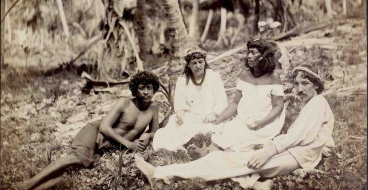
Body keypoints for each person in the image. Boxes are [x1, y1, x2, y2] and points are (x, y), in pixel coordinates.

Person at [136, 64, 335, 190]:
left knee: (226, 162)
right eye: (297, 84)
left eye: (306, 83)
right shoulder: (315, 105)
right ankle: (257, 183)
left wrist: (270, 151)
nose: (299, 89)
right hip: (294, 154)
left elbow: (298, 135)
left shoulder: (318, 103)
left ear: (316, 85)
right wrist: (323, 148)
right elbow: (319, 135)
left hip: (294, 157)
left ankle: (159, 175)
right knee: (230, 158)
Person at [18, 71, 160, 190]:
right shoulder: (125, 102)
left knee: (72, 172)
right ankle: (26, 185)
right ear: (135, 89)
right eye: (142, 88)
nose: (146, 92)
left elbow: (156, 132)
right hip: (95, 132)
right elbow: (104, 127)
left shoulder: (153, 108)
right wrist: (129, 144)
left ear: (154, 89)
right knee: (76, 158)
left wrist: (148, 135)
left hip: (110, 145)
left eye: (149, 88)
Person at [210, 39, 285, 152]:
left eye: (253, 53)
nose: (249, 56)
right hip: (243, 120)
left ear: (263, 56)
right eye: (248, 52)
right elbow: (235, 103)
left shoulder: (273, 77)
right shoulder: (245, 75)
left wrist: (260, 123)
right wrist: (219, 120)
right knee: (214, 146)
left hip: (264, 123)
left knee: (231, 150)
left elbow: (278, 106)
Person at [152, 47, 228, 151]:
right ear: (188, 65)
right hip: (190, 117)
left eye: (201, 62)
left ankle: (189, 145)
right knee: (175, 127)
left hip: (209, 117)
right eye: (194, 63)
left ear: (205, 62)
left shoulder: (214, 77)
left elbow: (222, 100)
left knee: (209, 129)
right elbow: (179, 103)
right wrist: (181, 116)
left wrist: (214, 113)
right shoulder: (182, 80)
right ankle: (179, 147)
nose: (198, 66)